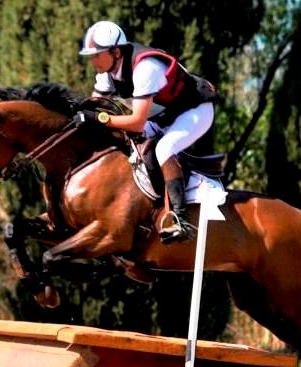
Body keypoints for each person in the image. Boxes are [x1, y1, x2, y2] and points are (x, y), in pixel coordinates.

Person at [76, 20, 219, 243]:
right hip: (163, 116)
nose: (93, 61)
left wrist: (100, 119)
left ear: (115, 52)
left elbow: (135, 121)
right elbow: (93, 105)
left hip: (195, 111)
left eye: (97, 55)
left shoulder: (146, 67)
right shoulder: (107, 72)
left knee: (164, 149)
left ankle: (182, 221)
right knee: (128, 144)